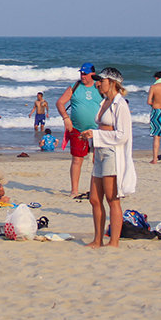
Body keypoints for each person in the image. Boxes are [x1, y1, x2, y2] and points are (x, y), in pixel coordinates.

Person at [81, 67, 137, 248]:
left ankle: (113, 242)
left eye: (101, 81)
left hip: (112, 153)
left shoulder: (120, 105)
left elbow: (122, 135)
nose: (98, 84)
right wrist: (92, 137)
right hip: (100, 152)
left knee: (112, 199)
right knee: (94, 199)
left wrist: (96, 135)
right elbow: (103, 128)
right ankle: (97, 239)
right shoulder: (104, 102)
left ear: (112, 83)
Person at [57, 63, 101, 197]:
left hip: (97, 130)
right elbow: (60, 103)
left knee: (97, 160)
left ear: (92, 74)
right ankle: (74, 190)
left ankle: (97, 189)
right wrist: (66, 118)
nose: (82, 76)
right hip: (77, 129)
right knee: (77, 159)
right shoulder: (75, 87)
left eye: (85, 74)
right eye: (81, 73)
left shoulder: (99, 86)